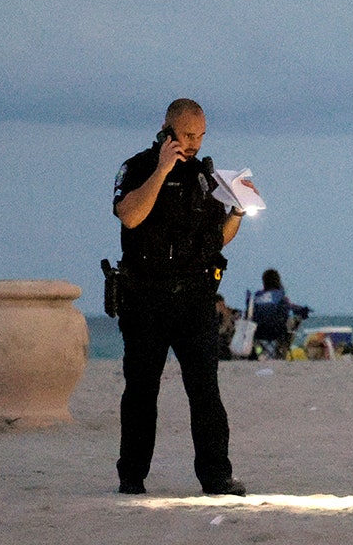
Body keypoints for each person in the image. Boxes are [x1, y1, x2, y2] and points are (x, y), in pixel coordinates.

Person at [112, 98, 250, 497]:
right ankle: (132, 476)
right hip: (145, 297)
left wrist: (238, 212)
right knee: (141, 389)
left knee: (205, 389)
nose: (194, 143)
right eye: (188, 135)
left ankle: (216, 476)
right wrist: (162, 169)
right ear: (168, 130)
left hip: (194, 298)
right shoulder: (138, 167)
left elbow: (216, 240)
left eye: (201, 136)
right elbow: (130, 215)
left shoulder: (207, 178)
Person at [250, 268, 310, 358]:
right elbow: (289, 309)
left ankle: (260, 352)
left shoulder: (256, 297)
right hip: (277, 332)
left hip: (258, 332)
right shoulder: (280, 295)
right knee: (294, 322)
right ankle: (282, 351)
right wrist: (304, 311)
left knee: (256, 340)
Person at [214, 294, 239, 361]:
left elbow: (227, 330)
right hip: (225, 341)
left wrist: (227, 318)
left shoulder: (234, 314)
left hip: (235, 339)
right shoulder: (218, 317)